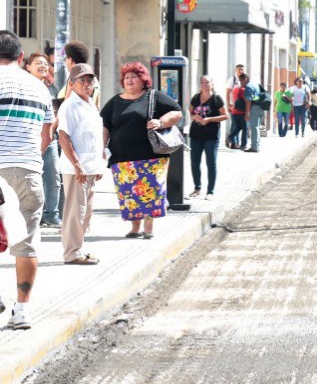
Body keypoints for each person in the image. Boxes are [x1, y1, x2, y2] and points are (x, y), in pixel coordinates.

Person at [0, 30, 54, 330]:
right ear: (21, 58)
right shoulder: (40, 88)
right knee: (27, 244)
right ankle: (21, 311)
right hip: (28, 172)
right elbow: (47, 137)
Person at [100, 62, 182, 239]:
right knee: (128, 193)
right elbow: (105, 125)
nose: (129, 80)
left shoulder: (154, 96)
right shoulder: (115, 101)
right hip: (122, 157)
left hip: (151, 156)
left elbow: (177, 112)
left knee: (150, 191)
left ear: (142, 79)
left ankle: (148, 227)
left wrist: (160, 122)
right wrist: (102, 146)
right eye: (126, 77)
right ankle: (135, 227)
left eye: (133, 76)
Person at [57, 64, 105, 265]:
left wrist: (98, 165)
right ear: (72, 83)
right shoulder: (70, 105)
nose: (87, 84)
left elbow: (93, 138)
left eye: (90, 80)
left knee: (86, 213)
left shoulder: (90, 103)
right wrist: (77, 165)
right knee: (75, 213)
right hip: (77, 170)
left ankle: (79, 249)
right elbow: (63, 137)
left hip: (90, 168)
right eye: (82, 80)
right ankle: (72, 253)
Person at [22, 53, 62, 228]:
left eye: (45, 63)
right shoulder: (22, 86)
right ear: (28, 67)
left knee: (53, 178)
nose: (43, 66)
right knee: (27, 179)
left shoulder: (52, 87)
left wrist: (50, 131)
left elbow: (58, 112)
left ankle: (51, 215)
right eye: (38, 63)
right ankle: (27, 216)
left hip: (50, 138)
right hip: (28, 138)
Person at [188, 75, 228, 198]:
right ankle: (197, 188)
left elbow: (225, 116)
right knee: (195, 162)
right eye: (202, 82)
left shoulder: (216, 99)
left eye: (207, 82)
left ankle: (210, 191)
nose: (204, 84)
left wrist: (209, 119)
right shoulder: (195, 98)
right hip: (196, 134)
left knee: (211, 163)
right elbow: (190, 112)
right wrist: (194, 117)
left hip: (211, 135)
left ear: (212, 84)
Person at [58, 40, 101, 108]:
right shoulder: (94, 80)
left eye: (66, 58)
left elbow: (66, 105)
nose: (65, 62)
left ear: (71, 60)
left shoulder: (75, 79)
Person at [243, 74, 265, 153]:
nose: (241, 83)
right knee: (256, 127)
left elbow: (248, 102)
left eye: (241, 81)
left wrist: (247, 114)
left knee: (254, 128)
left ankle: (254, 147)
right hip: (261, 108)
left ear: (245, 79)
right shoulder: (255, 84)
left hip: (255, 108)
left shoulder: (248, 86)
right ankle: (256, 146)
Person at [228, 75, 248, 150]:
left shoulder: (235, 89)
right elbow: (246, 100)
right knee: (245, 128)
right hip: (241, 112)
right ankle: (243, 144)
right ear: (243, 80)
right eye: (246, 80)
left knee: (237, 127)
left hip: (234, 112)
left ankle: (231, 140)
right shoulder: (243, 90)